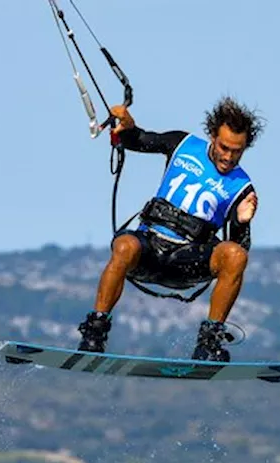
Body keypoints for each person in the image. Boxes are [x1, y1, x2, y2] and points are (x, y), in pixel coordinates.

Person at [76, 96, 263, 362]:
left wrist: (242, 222)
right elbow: (138, 140)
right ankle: (94, 333)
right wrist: (127, 126)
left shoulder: (242, 188)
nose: (229, 156)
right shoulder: (183, 144)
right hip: (150, 248)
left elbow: (237, 254)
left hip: (189, 261)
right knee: (124, 245)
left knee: (235, 256)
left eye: (237, 151)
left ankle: (208, 343)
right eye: (224, 147)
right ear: (212, 136)